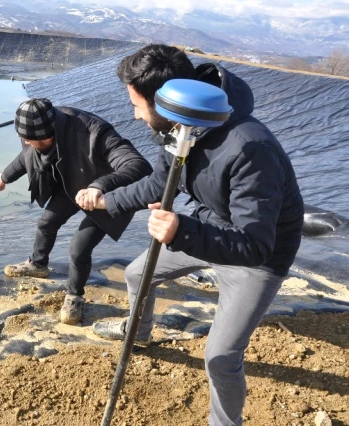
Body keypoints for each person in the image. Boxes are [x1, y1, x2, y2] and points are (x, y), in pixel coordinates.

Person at [86, 44, 304, 426]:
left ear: (166, 100)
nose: (135, 116)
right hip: (208, 229)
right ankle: (139, 331)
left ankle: (225, 422)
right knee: (138, 273)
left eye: (137, 106)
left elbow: (255, 244)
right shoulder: (181, 125)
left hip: (258, 258)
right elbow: (159, 181)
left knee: (220, 357)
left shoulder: (250, 149)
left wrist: (181, 229)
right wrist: (106, 201)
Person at [0, 98, 153, 324]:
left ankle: (75, 295)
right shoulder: (35, 135)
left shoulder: (94, 132)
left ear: (51, 132)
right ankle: (38, 265)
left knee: (78, 249)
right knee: (46, 223)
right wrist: (4, 177)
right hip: (71, 183)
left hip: (104, 196)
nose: (30, 144)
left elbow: (138, 165)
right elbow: (25, 157)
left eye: (36, 141)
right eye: (26, 140)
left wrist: (99, 187)